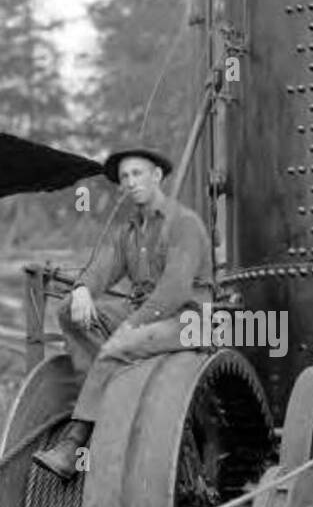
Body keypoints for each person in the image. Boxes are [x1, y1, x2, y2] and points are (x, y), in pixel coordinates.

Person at [33, 147, 214, 480]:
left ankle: (75, 443)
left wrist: (130, 326)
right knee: (68, 313)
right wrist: (84, 289)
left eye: (138, 174)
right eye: (125, 177)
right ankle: (107, 397)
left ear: (156, 176)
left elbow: (173, 291)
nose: (131, 182)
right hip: (145, 312)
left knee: (118, 345)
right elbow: (102, 268)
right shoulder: (128, 231)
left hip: (188, 319)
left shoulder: (183, 223)